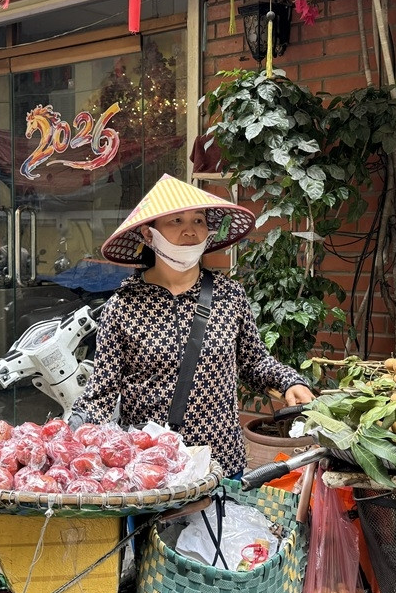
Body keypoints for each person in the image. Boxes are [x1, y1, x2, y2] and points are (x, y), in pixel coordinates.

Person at [70, 174, 316, 478]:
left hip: (220, 464)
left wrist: (290, 381)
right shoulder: (123, 305)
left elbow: (254, 362)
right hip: (149, 471)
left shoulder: (229, 295)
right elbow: (101, 393)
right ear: (149, 234)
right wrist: (70, 437)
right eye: (175, 221)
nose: (190, 231)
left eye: (198, 221)